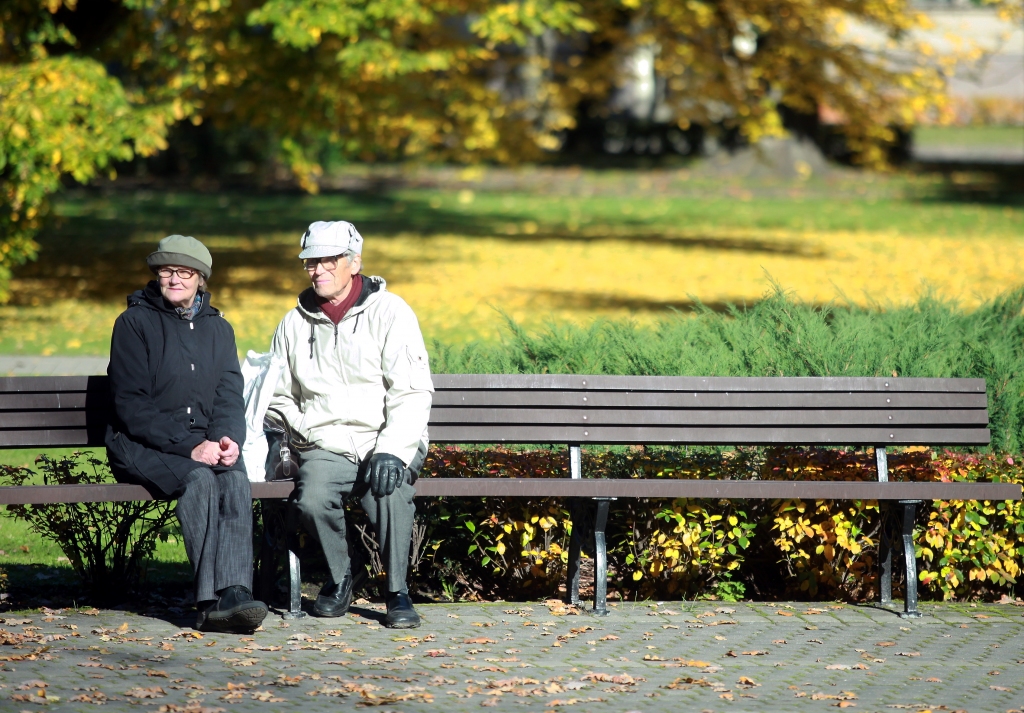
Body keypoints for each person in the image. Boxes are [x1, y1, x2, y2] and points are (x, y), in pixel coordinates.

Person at [269, 221, 432, 628]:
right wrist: (300, 427)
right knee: (311, 497)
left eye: (328, 260)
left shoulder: (391, 311)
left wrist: (393, 448)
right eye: (310, 262)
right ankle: (341, 578)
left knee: (388, 491)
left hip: (387, 435)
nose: (317, 269)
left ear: (353, 262)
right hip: (326, 441)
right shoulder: (293, 323)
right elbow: (276, 394)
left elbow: (411, 391)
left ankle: (396, 592)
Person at [105, 235, 268, 633]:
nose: (174, 279)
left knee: (233, 478)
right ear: (157, 275)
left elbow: (230, 394)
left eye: (185, 272)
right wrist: (193, 447)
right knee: (199, 481)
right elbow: (131, 406)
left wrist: (228, 439)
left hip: (204, 442)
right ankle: (209, 601)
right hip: (143, 444)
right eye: (166, 271)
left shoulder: (219, 329)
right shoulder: (134, 323)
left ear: (201, 279)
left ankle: (235, 593)